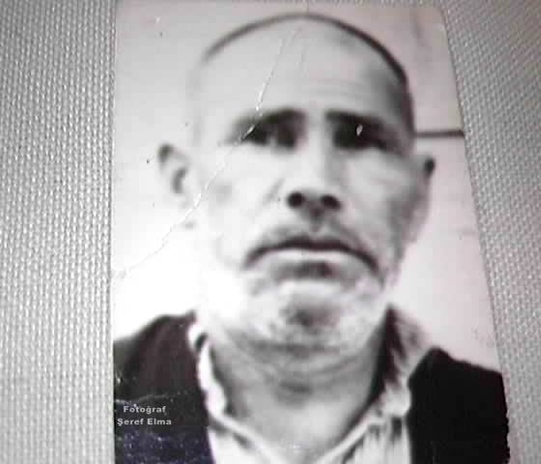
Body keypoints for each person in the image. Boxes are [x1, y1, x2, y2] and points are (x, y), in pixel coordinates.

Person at [114, 12, 509, 464]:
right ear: (184, 185)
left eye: (360, 138)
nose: (315, 182)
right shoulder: (89, 405)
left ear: (418, 197)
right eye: (261, 135)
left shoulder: (505, 422)